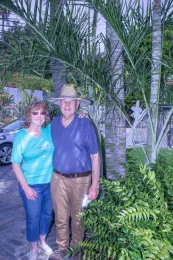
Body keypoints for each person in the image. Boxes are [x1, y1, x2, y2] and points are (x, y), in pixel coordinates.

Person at [50, 84, 100, 260]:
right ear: (59, 103)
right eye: (64, 101)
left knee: (78, 219)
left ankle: (76, 249)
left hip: (81, 180)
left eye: (72, 101)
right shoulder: (54, 124)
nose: (67, 104)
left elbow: (95, 156)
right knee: (60, 217)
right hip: (58, 178)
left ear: (78, 104)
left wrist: (95, 184)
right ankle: (62, 248)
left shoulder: (85, 123)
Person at [11, 101, 54, 260]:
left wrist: (81, 116)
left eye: (42, 113)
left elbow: (66, 122)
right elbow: (15, 164)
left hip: (50, 184)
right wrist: (26, 188)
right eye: (35, 113)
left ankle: (42, 242)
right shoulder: (21, 136)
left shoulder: (49, 131)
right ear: (29, 115)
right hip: (30, 185)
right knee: (33, 217)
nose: (39, 116)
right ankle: (34, 248)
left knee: (47, 215)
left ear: (46, 116)